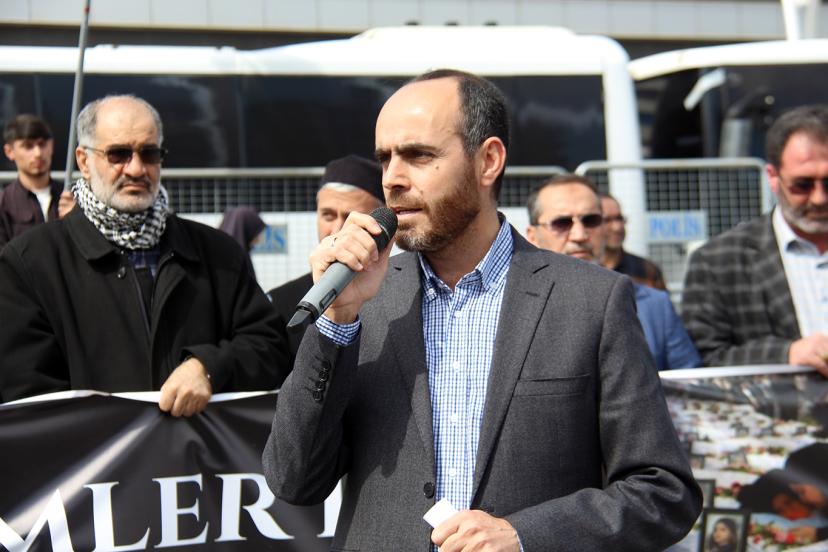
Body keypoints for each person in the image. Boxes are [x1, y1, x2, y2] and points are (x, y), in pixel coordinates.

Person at [263, 69, 701, 551]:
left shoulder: (590, 300)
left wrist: (526, 536)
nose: (392, 179)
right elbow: (293, 480)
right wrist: (336, 322)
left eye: (419, 155)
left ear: (488, 160)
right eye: (385, 158)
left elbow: (663, 492)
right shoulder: (365, 301)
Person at [0, 95, 288, 416]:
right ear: (84, 161)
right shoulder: (28, 263)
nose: (136, 168)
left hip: (199, 448)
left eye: (149, 153)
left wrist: (209, 367)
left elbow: (270, 346)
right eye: (119, 154)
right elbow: (27, 394)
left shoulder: (218, 253)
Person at [682, 105, 828, 373]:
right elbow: (703, 359)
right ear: (773, 177)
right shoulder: (718, 262)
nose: (819, 198)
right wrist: (787, 354)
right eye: (803, 185)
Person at [526, 175, 701, 370]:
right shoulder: (514, 307)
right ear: (532, 236)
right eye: (562, 223)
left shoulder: (655, 306)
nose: (580, 235)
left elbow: (687, 380)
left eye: (591, 220)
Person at [266, 154, 383, 367]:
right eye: (328, 215)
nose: (337, 229)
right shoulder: (282, 302)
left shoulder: (405, 294)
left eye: (351, 217)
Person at [1, 114, 75, 249]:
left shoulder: (73, 197)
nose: (38, 153)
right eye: (28, 146)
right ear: (9, 151)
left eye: (42, 144)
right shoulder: (4, 204)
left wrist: (78, 220)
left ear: (51, 146)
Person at [600, 192, 666, 290]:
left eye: (619, 218)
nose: (617, 227)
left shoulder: (647, 270)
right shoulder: (584, 269)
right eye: (607, 220)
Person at [218, 205, 266, 278]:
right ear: (245, 230)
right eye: (255, 233)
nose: (259, 240)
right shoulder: (236, 262)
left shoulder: (224, 255)